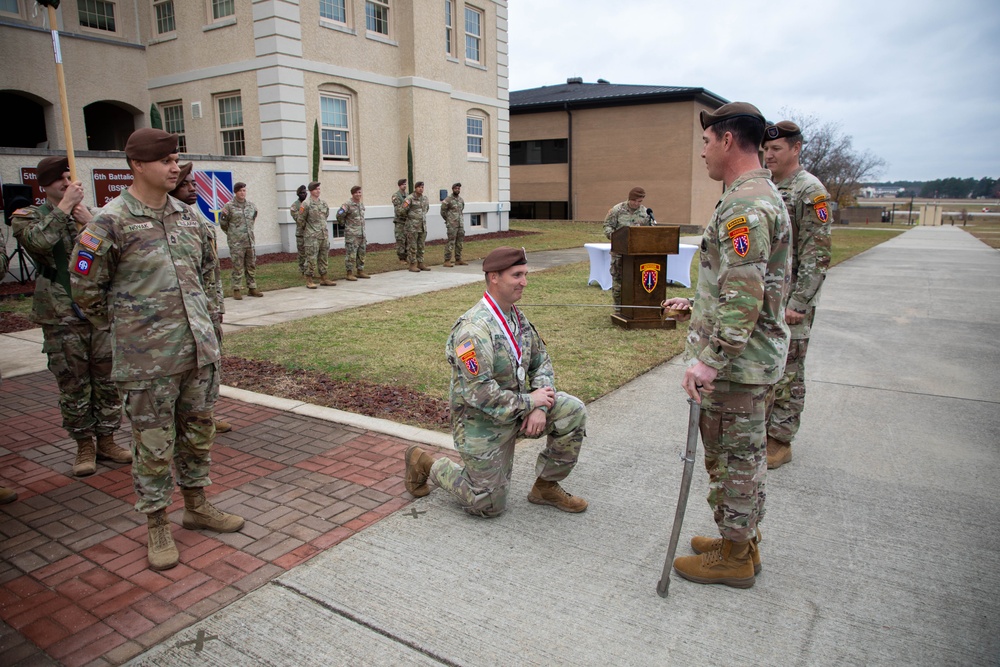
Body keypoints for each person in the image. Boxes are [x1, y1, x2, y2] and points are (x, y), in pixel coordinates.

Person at [70, 129, 245, 571]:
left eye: (175, 159)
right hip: (147, 362)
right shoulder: (108, 223)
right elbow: (85, 289)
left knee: (197, 435)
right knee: (153, 445)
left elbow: (209, 277)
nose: (174, 167)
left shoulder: (190, 219)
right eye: (165, 160)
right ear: (137, 165)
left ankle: (197, 505)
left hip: (197, 355)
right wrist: (129, 333)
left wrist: (209, 329)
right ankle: (156, 522)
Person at [661, 102, 791, 589]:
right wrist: (695, 306)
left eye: (706, 141)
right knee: (744, 456)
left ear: (728, 140)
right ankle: (742, 540)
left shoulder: (745, 204)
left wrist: (709, 361)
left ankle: (735, 555)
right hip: (751, 359)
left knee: (733, 460)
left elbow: (744, 296)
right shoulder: (759, 194)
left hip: (738, 366)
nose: (703, 152)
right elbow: (741, 285)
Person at [404, 246, 588, 517]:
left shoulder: (517, 317)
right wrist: (529, 402)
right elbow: (479, 393)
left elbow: (541, 362)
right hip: (481, 422)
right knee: (487, 506)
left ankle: (545, 486)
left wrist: (540, 406)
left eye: (525, 274)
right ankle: (426, 463)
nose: (524, 282)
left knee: (572, 411)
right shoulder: (473, 330)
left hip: (519, 410)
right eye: (517, 275)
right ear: (494, 278)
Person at [12, 156, 131, 477]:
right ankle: (84, 445)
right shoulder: (27, 217)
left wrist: (90, 220)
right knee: (73, 381)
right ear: (44, 185)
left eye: (68, 176)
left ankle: (107, 438)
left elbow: (108, 252)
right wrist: (64, 208)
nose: (67, 182)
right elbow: (39, 242)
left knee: (106, 379)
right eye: (59, 179)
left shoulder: (85, 212)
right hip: (60, 310)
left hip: (96, 308)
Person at [761, 121, 832, 469]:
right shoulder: (771, 188)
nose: (769, 154)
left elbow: (817, 253)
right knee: (769, 366)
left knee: (790, 372)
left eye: (776, 149)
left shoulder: (810, 191)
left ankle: (781, 440)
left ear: (796, 148)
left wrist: (799, 303)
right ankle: (764, 430)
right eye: (766, 149)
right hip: (770, 300)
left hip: (792, 304)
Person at [169, 163, 232, 434]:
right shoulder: (162, 222)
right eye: (186, 184)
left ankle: (205, 412)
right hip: (175, 316)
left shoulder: (195, 219)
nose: (193, 188)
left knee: (209, 366)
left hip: (205, 308)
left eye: (193, 183)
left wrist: (216, 306)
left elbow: (210, 270)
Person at [603, 187, 653, 311]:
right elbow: (607, 226)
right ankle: (619, 307)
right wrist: (616, 238)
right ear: (629, 198)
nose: (636, 203)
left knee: (636, 281)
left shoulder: (645, 212)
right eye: (634, 200)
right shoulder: (617, 210)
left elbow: (650, 231)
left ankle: (634, 306)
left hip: (637, 254)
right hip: (619, 253)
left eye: (639, 201)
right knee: (618, 280)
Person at [218, 182, 261, 300]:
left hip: (249, 241)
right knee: (237, 265)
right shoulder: (229, 206)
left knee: (251, 264)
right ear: (235, 192)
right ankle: (236, 289)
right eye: (240, 191)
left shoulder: (251, 206)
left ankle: (252, 287)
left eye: (244, 190)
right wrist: (232, 234)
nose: (243, 193)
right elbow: (223, 223)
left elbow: (253, 219)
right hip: (236, 242)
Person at [300, 181, 336, 289]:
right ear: (311, 191)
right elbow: (300, 220)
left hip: (323, 235)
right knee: (311, 258)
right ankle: (309, 279)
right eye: (316, 189)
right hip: (312, 237)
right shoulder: (306, 204)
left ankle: (324, 278)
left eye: (319, 189)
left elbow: (326, 216)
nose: (318, 191)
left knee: (323, 258)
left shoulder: (323, 203)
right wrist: (309, 231)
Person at [336, 185, 370, 281]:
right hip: (352, 235)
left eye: (359, 192)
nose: (358, 194)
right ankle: (349, 273)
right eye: (356, 192)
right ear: (352, 194)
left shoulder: (361, 204)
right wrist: (344, 224)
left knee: (361, 253)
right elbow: (339, 215)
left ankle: (360, 271)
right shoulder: (347, 204)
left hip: (361, 234)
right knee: (351, 254)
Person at [403, 181, 430, 272]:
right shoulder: (409, 198)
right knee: (412, 246)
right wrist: (411, 218)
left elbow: (426, 209)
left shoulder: (425, 199)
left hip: (422, 226)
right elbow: (402, 210)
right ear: (415, 188)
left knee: (421, 246)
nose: (421, 189)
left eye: (422, 187)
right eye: (419, 187)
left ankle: (420, 263)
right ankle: (412, 264)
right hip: (412, 227)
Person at [441, 182, 467, 267]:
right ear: (453, 189)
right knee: (451, 242)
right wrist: (448, 220)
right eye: (456, 188)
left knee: (460, 242)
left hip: (460, 224)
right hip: (452, 225)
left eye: (459, 188)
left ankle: (458, 259)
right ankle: (447, 260)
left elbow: (461, 210)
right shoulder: (448, 200)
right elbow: (443, 211)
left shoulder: (461, 200)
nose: (457, 190)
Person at [291, 185, 308, 275]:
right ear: (298, 194)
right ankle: (302, 270)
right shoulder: (295, 206)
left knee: (309, 253)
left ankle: (308, 270)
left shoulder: (309, 203)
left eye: (305, 192)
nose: (303, 194)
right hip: (301, 233)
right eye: (301, 193)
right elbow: (297, 218)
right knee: (302, 253)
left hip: (310, 232)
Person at [391, 178, 409, 265]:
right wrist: (406, 206)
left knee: (408, 240)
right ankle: (401, 258)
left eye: (405, 184)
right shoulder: (396, 196)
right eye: (403, 184)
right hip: (400, 221)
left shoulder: (408, 195)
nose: (404, 186)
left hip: (407, 221)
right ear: (399, 185)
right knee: (400, 240)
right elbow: (399, 209)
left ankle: (407, 256)